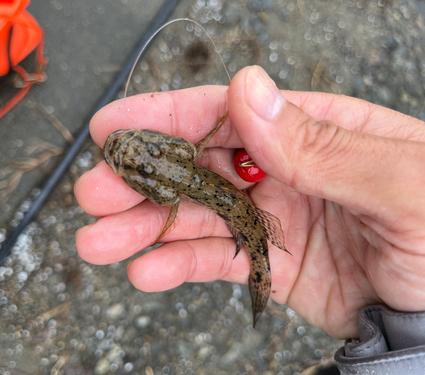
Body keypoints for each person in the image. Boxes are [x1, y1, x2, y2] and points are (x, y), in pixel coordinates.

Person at [74, 66, 425, 374]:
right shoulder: (183, 153)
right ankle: (261, 270)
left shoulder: (169, 189)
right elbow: (177, 166)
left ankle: (262, 272)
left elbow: (166, 194)